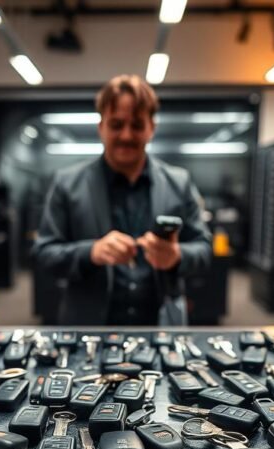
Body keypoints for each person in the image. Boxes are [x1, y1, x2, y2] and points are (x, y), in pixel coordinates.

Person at [33, 74, 212, 325]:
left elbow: (204, 249)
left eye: (137, 125)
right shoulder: (67, 183)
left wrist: (176, 255)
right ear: (101, 127)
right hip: (89, 329)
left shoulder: (178, 182)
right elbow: (44, 253)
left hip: (160, 328)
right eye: (116, 124)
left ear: (152, 128)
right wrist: (91, 252)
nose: (126, 135)